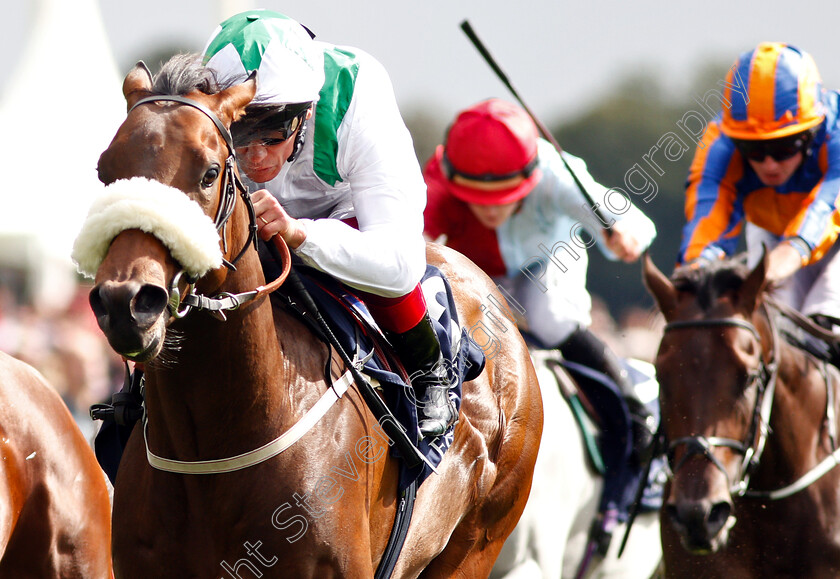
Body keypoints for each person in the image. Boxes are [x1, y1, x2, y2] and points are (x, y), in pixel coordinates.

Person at [201, 9, 455, 438]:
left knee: (383, 273)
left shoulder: (358, 93)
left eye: (273, 136)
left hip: (347, 207)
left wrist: (300, 233)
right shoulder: (203, 104)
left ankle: (429, 369)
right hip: (254, 214)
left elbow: (397, 264)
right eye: (240, 134)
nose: (255, 155)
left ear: (304, 112)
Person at [422, 98, 657, 460]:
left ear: (530, 176)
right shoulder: (437, 181)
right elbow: (410, 242)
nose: (488, 209)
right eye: (477, 198)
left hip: (549, 259)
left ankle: (631, 408)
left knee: (548, 314)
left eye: (502, 197)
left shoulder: (555, 171)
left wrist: (627, 235)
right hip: (481, 272)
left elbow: (619, 213)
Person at [679, 42, 840, 337]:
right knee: (773, 328)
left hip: (823, 230)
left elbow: (823, 213)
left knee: (827, 311)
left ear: (812, 133)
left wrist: (773, 267)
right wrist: (696, 270)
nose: (769, 164)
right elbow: (707, 223)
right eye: (753, 148)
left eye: (783, 146)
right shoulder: (720, 146)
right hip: (774, 233)